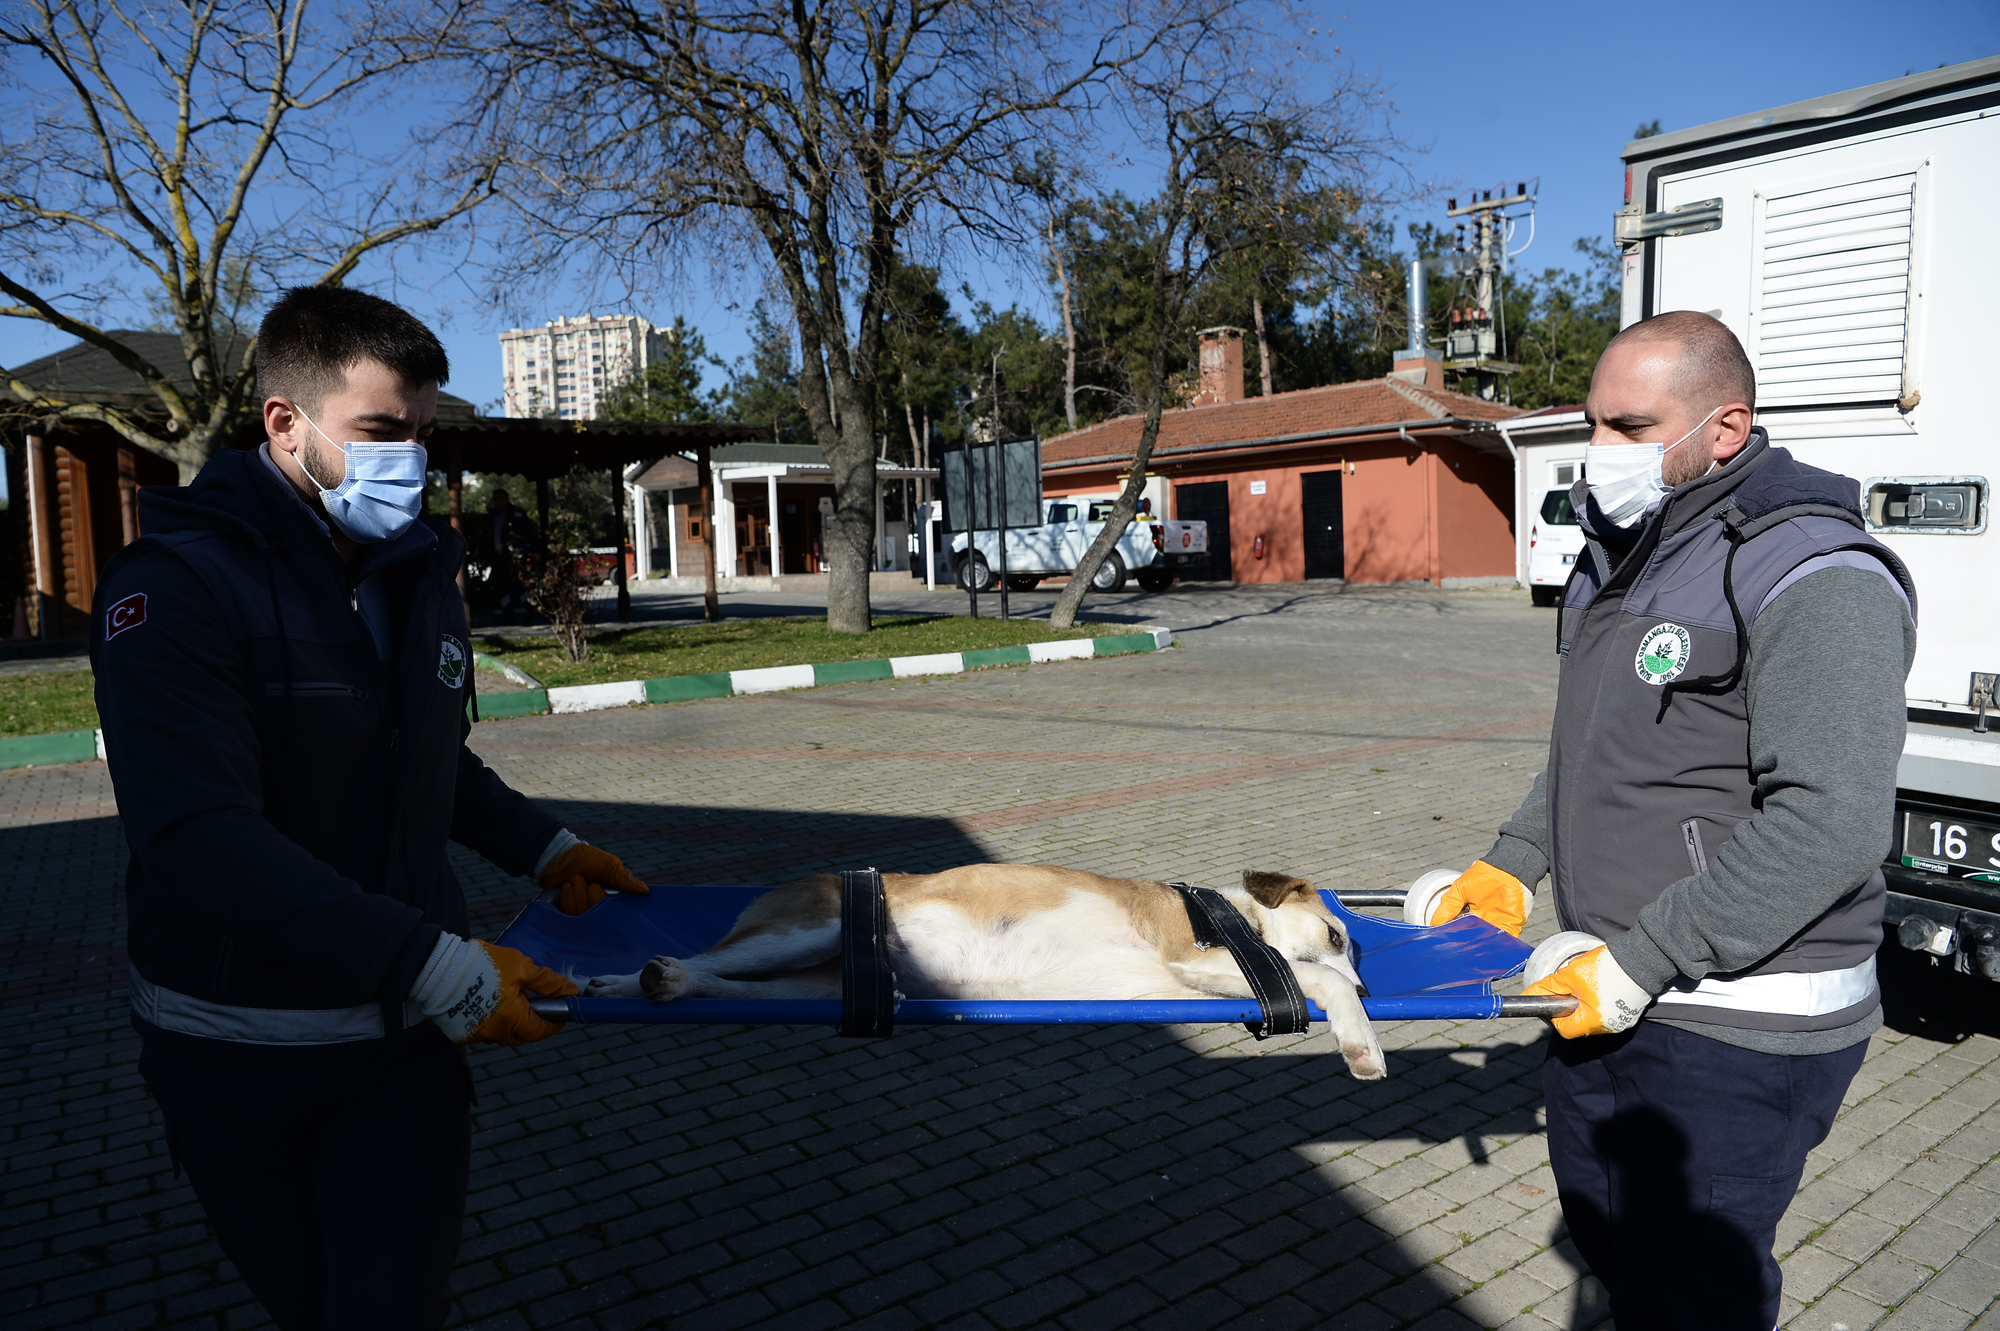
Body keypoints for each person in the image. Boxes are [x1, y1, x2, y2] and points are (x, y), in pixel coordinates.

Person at [90, 286, 650, 1330]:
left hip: (400, 1053)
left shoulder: (417, 570)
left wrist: (549, 847)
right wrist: (436, 961)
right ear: (283, 422)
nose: (411, 459)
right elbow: (196, 841)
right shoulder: (174, 587)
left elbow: (426, 760)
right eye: (382, 430)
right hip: (239, 1056)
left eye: (426, 434)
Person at [1430, 311, 1916, 1330]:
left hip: (1734, 1022)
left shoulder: (1814, 572)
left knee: (1692, 1296)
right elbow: (1595, 748)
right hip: (1610, 991)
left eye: (1627, 426)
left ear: (1725, 429)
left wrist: (1640, 957)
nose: (1594, 454)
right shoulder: (1624, 553)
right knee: (1617, 1252)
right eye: (1590, 423)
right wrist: (1512, 863)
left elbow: (1828, 825)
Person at [482, 487, 541, 623]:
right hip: (498, 559)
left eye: (501, 498)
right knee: (502, 588)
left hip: (515, 558)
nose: (499, 502)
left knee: (520, 586)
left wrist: (535, 550)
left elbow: (530, 533)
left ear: (507, 499)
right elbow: (485, 538)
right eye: (496, 499)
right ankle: (508, 615)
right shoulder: (490, 517)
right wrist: (484, 556)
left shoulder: (517, 514)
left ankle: (530, 611)